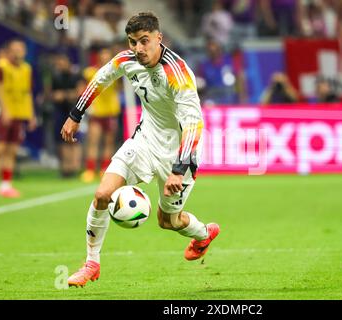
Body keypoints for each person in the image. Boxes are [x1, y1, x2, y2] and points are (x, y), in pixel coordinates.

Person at [61, 12, 220, 287]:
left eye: (144, 41)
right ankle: (91, 263)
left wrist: (177, 170)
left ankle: (204, 233)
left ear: (159, 38)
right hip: (144, 142)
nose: (138, 49)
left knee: (167, 221)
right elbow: (100, 79)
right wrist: (76, 115)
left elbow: (194, 125)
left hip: (179, 153)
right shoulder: (127, 60)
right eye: (133, 42)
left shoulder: (178, 73)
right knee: (102, 195)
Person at [0, 39, 36, 198]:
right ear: (9, 51)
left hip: (19, 113)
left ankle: (6, 185)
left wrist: (31, 114)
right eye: (15, 49)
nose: (19, 51)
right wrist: (4, 110)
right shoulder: (1, 67)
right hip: (3, 113)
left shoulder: (26, 69)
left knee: (12, 149)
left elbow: (27, 92)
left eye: (21, 48)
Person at [80, 47, 121, 183]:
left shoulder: (116, 71)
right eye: (102, 54)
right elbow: (83, 89)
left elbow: (119, 87)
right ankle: (90, 170)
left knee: (109, 141)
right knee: (94, 140)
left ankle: (105, 168)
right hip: (96, 111)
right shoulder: (89, 72)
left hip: (111, 111)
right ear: (98, 56)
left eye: (107, 55)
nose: (105, 57)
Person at [50, 53, 85, 178]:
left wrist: (64, 95)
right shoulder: (56, 77)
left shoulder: (76, 75)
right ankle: (66, 168)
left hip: (75, 111)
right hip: (60, 111)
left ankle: (75, 167)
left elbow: (80, 92)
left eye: (62, 62)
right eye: (58, 64)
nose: (60, 66)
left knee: (75, 140)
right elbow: (51, 94)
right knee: (62, 139)